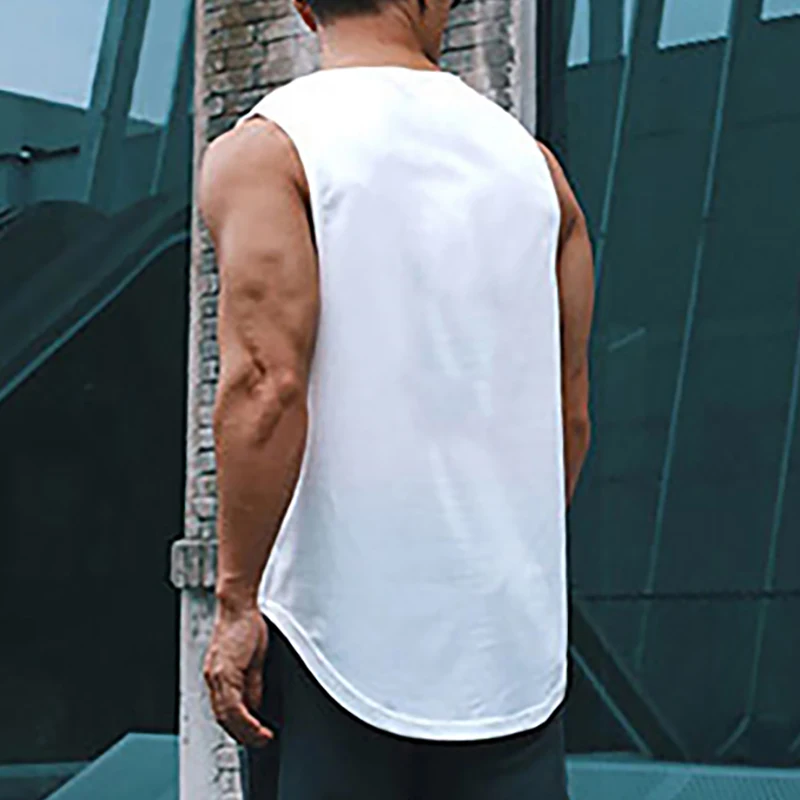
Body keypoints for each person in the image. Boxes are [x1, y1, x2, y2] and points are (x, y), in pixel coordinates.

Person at [198, 0, 594, 793]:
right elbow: (570, 416)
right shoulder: (540, 175)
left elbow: (266, 386)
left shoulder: (269, 151)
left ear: (304, 7)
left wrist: (236, 602)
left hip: (332, 639)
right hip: (507, 655)